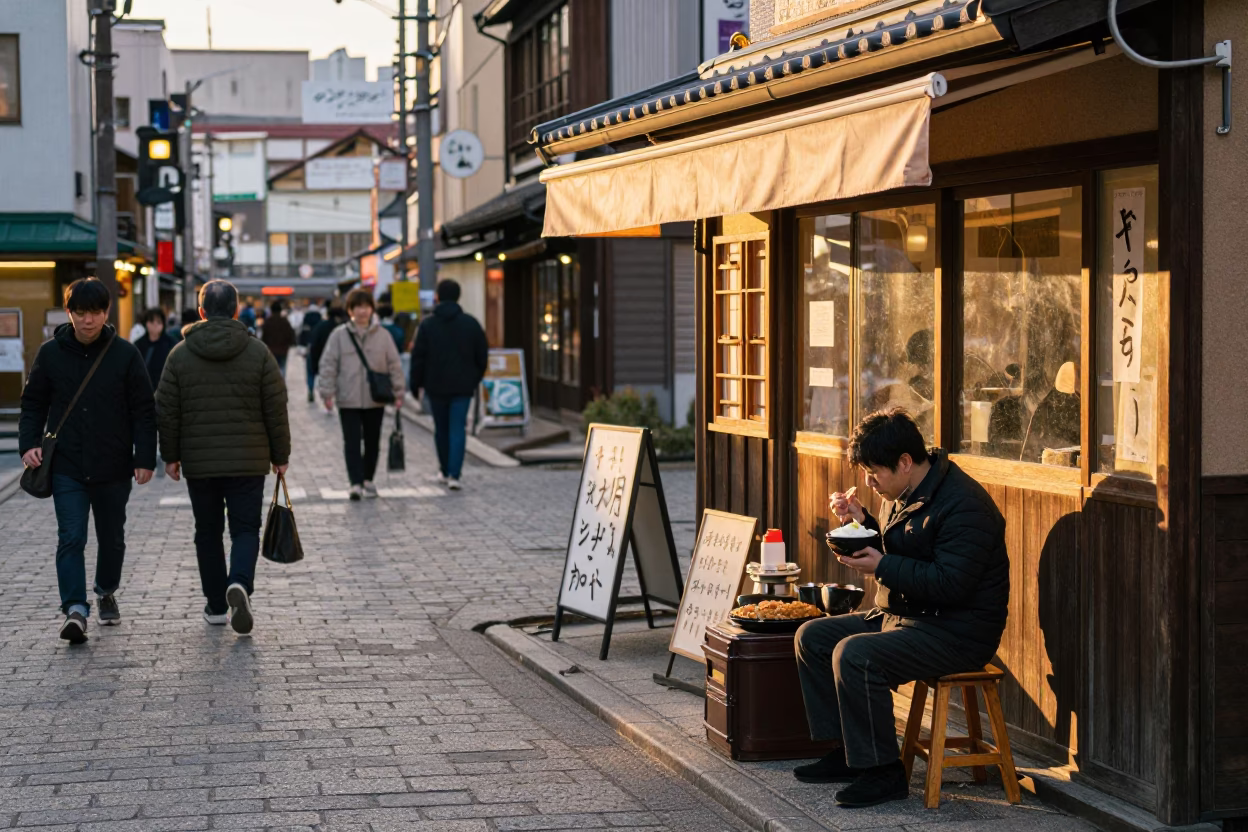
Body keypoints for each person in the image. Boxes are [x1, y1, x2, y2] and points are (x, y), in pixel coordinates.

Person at [793, 408, 1009, 807]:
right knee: (813, 636)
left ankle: (884, 772)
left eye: (875, 473)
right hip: (908, 615)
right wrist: (863, 523)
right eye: (865, 473)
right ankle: (849, 752)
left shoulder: (965, 505)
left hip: (956, 630)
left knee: (855, 654)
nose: (868, 482)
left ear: (906, 462)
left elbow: (951, 584)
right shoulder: (907, 489)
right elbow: (905, 545)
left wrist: (881, 565)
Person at [18, 278, 157, 644]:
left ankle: (106, 589)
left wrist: (144, 457)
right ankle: (75, 609)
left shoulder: (125, 354)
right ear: (69, 313)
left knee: (112, 538)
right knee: (71, 536)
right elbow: (33, 403)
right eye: (80, 313)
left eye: (95, 312)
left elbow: (144, 410)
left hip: (113, 465)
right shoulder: (50, 354)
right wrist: (28, 444)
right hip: (67, 465)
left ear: (106, 312)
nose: (88, 320)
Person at [156, 279, 291, 635]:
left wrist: (169, 455)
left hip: (200, 463)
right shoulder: (258, 352)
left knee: (208, 531)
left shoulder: (179, 354)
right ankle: (240, 584)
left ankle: (216, 606)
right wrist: (281, 455)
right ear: (235, 311)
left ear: (201, 312)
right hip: (249, 460)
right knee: (245, 528)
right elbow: (276, 408)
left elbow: (166, 409)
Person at [318, 289, 404, 500]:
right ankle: (355, 482)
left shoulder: (383, 336)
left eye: (366, 307)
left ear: (372, 309)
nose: (362, 311)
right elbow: (328, 364)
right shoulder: (339, 336)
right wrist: (327, 392)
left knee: (373, 441)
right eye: (358, 307)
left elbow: (394, 365)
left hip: (376, 399)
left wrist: (399, 392)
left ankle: (368, 479)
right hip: (348, 398)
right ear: (350, 310)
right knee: (352, 442)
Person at [410, 279, 488, 491]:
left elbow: (418, 357)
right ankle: (455, 474)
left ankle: (444, 470)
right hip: (463, 386)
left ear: (437, 296)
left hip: (435, 385)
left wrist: (415, 384)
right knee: (457, 428)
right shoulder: (471, 324)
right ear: (458, 296)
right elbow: (482, 356)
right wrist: (474, 378)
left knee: (441, 428)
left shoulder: (427, 325)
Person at [307, 305, 345, 404]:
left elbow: (314, 344)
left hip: (320, 356)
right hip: (339, 360)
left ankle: (311, 390)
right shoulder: (343, 328)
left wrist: (314, 362)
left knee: (311, 373)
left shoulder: (321, 326)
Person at [133, 307, 175, 393]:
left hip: (166, 391)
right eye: (152, 321)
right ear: (146, 323)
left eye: (159, 322)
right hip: (143, 391)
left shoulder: (171, 344)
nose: (155, 324)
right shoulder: (138, 344)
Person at [260, 299, 297, 376]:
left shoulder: (268, 322)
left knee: (271, 370)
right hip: (283, 349)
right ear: (280, 310)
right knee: (282, 367)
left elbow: (264, 337)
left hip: (271, 350)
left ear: (271, 310)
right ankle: (281, 384)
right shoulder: (285, 321)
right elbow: (291, 334)